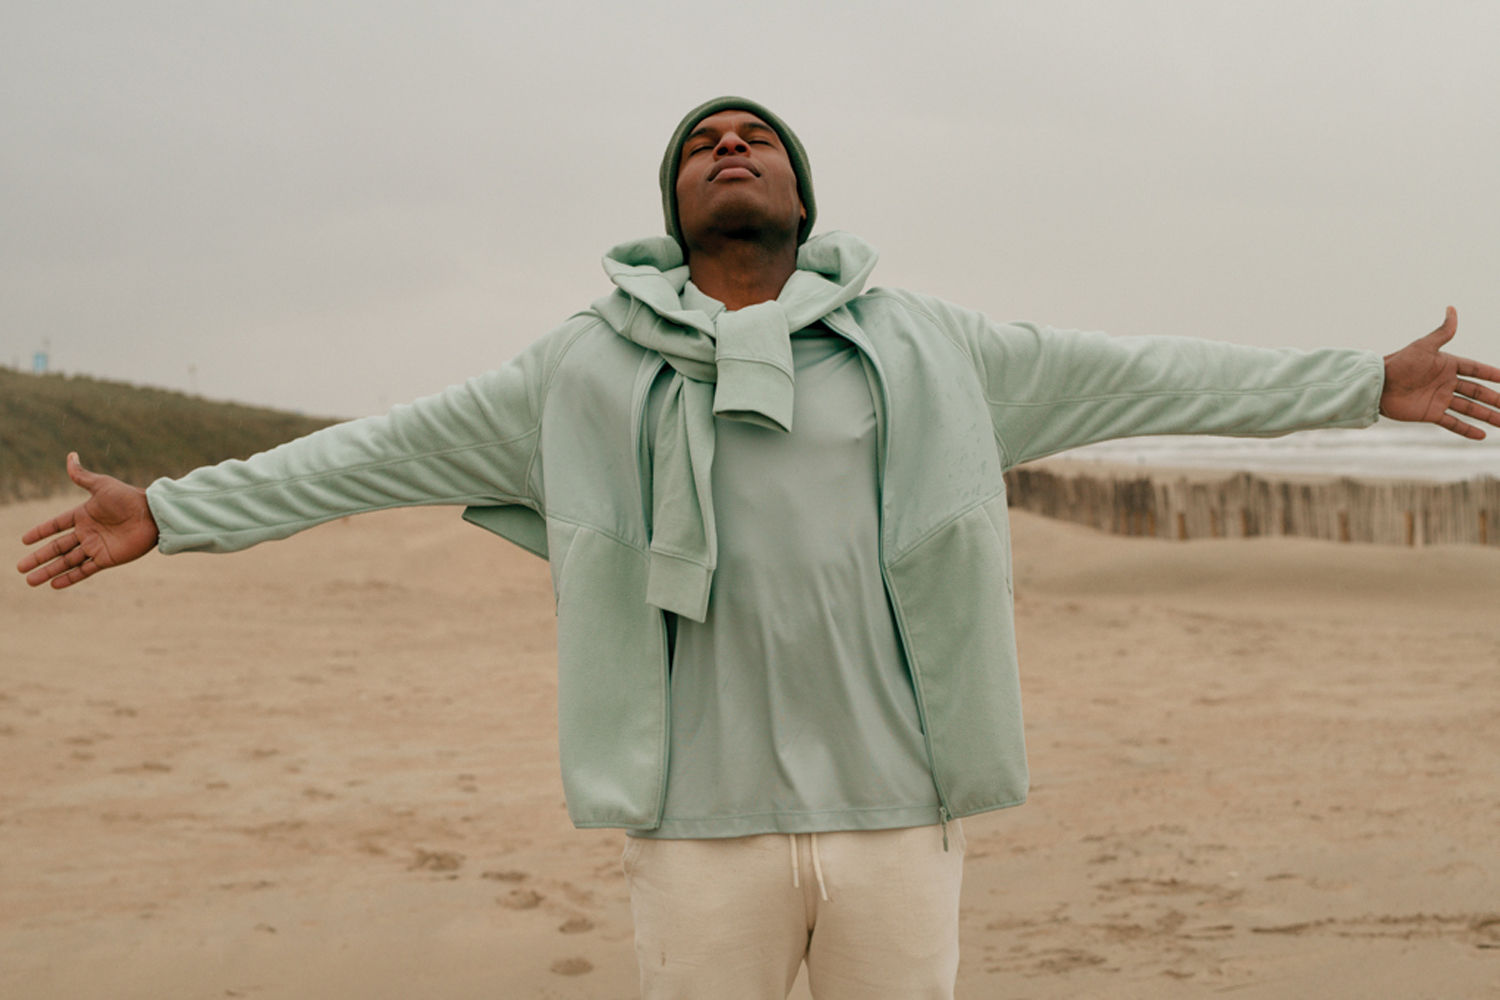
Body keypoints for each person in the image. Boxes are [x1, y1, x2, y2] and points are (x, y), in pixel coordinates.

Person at [16, 96, 1500, 1000]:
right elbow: (374, 452)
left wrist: (1358, 383)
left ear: (801, 198)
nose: (731, 149)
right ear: (674, 209)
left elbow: (1149, 375)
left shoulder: (933, 345)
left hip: (899, 818)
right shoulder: (577, 370)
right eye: (702, 145)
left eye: (758, 139)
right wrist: (176, 512)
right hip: (694, 830)